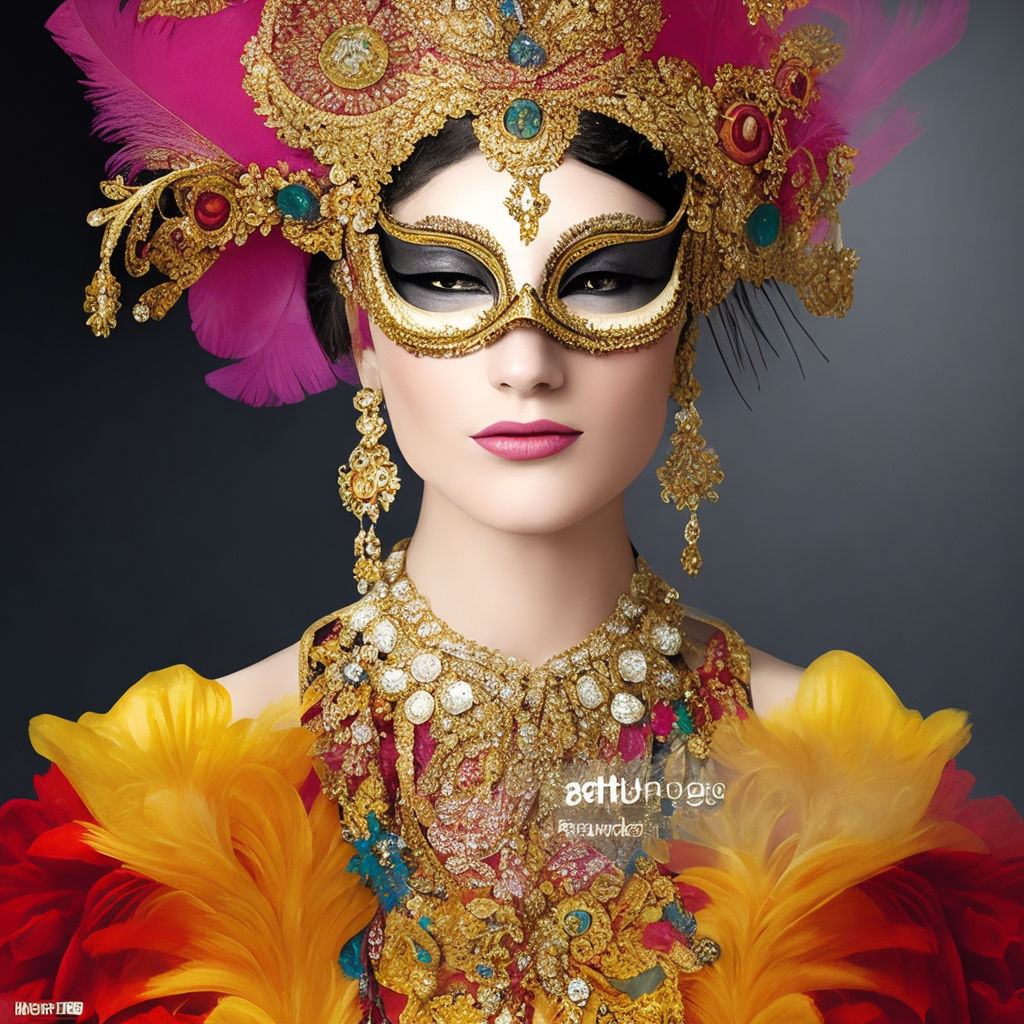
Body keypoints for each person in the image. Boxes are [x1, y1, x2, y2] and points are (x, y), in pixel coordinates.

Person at [2, 1, 1022, 1023]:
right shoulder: (177, 801)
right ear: (363, 326)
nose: (527, 362)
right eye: (446, 280)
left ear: (685, 319)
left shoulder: (850, 798)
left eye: (606, 278)